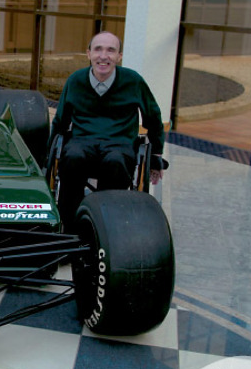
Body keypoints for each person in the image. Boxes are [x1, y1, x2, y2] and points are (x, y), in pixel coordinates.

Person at [49, 31, 165, 229]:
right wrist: (46, 161)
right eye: (98, 49)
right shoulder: (76, 80)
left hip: (119, 144)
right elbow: (60, 122)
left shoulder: (133, 81)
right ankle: (69, 226)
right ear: (88, 54)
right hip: (83, 141)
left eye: (111, 50)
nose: (104, 56)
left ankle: (107, 226)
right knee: (73, 157)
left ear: (119, 56)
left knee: (115, 161)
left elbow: (153, 118)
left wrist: (156, 156)